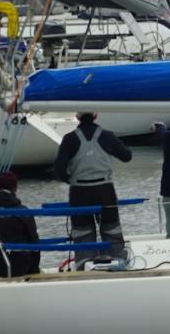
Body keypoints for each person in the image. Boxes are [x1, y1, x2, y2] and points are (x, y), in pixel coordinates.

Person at [53, 111, 133, 264]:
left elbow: (59, 169)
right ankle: (116, 260)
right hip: (105, 190)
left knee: (83, 232)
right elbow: (127, 156)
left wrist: (71, 180)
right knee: (111, 229)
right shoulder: (107, 136)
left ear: (77, 117)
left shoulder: (69, 139)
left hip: (79, 192)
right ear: (95, 116)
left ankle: (84, 264)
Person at [0, 170, 41, 277]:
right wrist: (34, 270)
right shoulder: (23, 212)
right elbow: (34, 242)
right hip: (18, 266)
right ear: (15, 188)